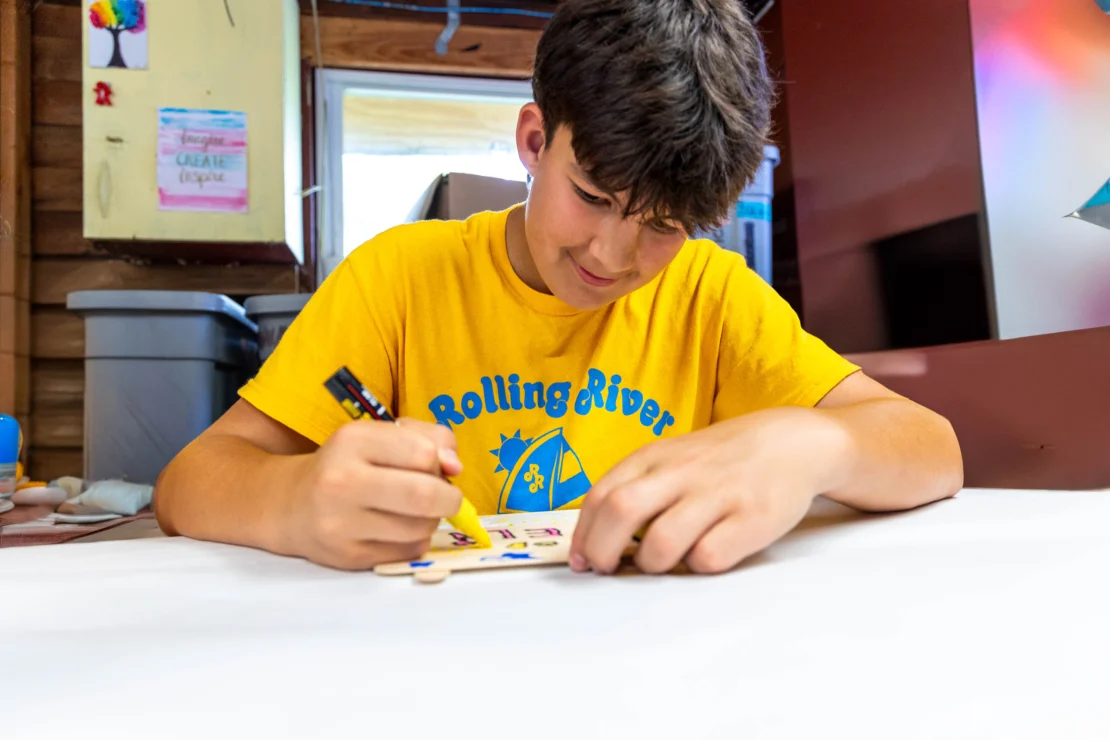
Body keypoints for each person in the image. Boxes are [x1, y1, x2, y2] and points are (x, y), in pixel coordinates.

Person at [154, 0, 963, 575]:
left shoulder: (711, 294)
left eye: (665, 225)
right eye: (595, 197)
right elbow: (190, 483)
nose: (614, 255)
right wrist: (293, 501)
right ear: (536, 141)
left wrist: (813, 445)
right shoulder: (398, 275)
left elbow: (933, 449)